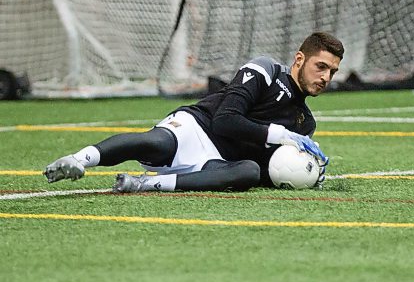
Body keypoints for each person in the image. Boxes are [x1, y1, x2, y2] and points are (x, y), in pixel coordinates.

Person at [44, 32, 344, 192]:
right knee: (156, 143)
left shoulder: (305, 124)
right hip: (195, 129)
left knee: (249, 173)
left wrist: (306, 171)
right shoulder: (264, 70)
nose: (326, 78)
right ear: (300, 58)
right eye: (321, 67)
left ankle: (146, 184)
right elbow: (226, 121)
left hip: (215, 164)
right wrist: (279, 135)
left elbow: (266, 170)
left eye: (332, 71)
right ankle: (78, 160)